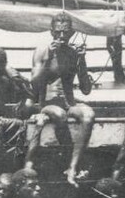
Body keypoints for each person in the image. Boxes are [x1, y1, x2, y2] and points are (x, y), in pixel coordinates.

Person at [28, 11, 95, 187]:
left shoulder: (73, 53)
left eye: (66, 32)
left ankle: (73, 167)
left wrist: (82, 59)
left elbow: (86, 89)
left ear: (72, 33)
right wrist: (49, 57)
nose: (62, 36)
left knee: (88, 115)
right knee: (59, 114)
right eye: (58, 32)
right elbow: (34, 83)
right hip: (47, 104)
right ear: (51, 32)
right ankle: (68, 162)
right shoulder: (42, 50)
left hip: (69, 103)